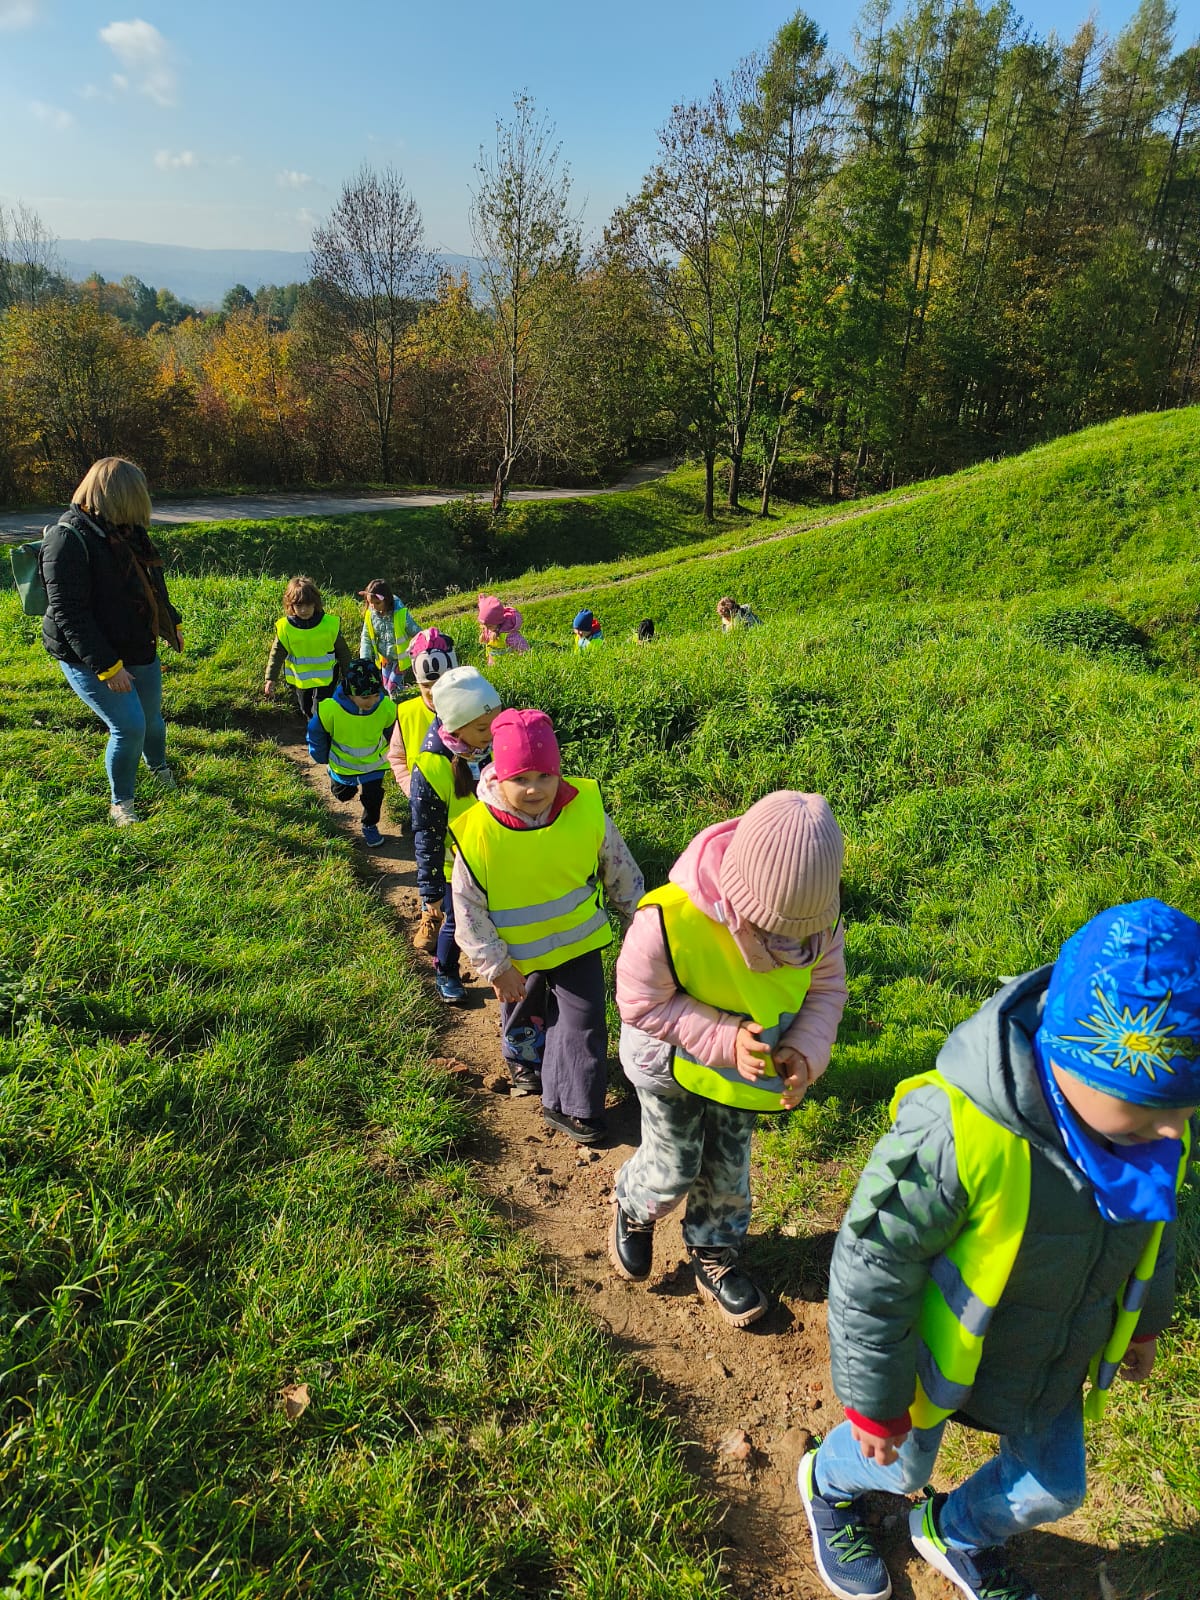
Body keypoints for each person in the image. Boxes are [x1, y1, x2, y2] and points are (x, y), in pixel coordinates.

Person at [797, 898, 1198, 1600]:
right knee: (899, 1466)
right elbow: (873, 1264)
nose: (1173, 1132)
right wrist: (874, 1403)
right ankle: (826, 1484)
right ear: (1073, 1062)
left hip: (1050, 1352)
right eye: (1148, 1107)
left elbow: (1151, 1233)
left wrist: (1145, 1323)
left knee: (1056, 1487)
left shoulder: (1154, 1132)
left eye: (1187, 1108)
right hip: (932, 1359)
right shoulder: (957, 1134)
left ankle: (954, 1530)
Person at [610, 791, 847, 1326]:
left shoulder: (820, 925)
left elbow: (826, 991)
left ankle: (713, 1249)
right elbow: (640, 1003)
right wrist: (724, 1037)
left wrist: (804, 1050)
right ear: (736, 891)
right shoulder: (668, 918)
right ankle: (635, 1204)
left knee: (729, 1168)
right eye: (769, 930)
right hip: (667, 1063)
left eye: (799, 934)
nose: (786, 945)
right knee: (674, 1163)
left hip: (744, 1076)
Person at [452, 710, 644, 1141]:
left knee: (584, 1022)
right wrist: (496, 966)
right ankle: (525, 1062)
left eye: (545, 775)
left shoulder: (585, 809)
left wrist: (639, 919)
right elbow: (467, 906)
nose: (534, 788)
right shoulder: (479, 831)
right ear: (498, 776)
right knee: (526, 1015)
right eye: (520, 778)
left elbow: (620, 868)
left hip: (578, 943)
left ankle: (574, 1107)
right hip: (516, 956)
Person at [40, 456, 183, 827]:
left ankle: (159, 770)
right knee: (130, 726)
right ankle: (122, 804)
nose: (144, 501)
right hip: (87, 654)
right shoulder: (67, 538)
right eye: (138, 493)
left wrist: (171, 622)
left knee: (151, 720)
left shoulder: (128, 530)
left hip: (134, 642)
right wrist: (107, 667)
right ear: (118, 496)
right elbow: (70, 614)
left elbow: (152, 583)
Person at [410, 665, 502, 1004]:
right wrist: (431, 892)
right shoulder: (431, 767)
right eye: (482, 727)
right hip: (456, 867)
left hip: (495, 857)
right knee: (458, 924)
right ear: (455, 726)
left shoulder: (492, 748)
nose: (492, 733)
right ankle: (446, 969)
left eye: (495, 723)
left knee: (500, 919)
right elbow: (427, 835)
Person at [306, 657, 399, 849]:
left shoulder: (386, 707)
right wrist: (320, 756)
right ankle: (335, 780)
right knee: (343, 795)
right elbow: (316, 733)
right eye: (365, 698)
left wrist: (395, 753)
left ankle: (370, 825)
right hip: (342, 767)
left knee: (373, 798)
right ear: (349, 693)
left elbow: (393, 732)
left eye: (376, 695)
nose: (372, 701)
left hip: (375, 765)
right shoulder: (330, 710)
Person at [264, 575, 351, 719]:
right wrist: (270, 679)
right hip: (301, 679)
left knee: (320, 710)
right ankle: (313, 724)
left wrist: (349, 674)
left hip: (327, 677)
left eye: (308, 605)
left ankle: (320, 729)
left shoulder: (329, 625)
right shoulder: (285, 628)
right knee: (305, 709)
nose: (304, 610)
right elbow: (276, 654)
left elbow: (343, 652)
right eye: (299, 606)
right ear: (291, 605)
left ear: (315, 603)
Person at [386, 629, 458, 798]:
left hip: (468, 800)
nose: (433, 691)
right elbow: (397, 758)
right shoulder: (406, 713)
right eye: (426, 685)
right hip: (425, 800)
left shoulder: (473, 707)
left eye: (440, 683)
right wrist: (412, 789)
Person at [359, 579, 421, 698]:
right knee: (387, 686)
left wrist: (428, 642)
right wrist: (364, 660)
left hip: (401, 659)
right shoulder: (370, 615)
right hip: (385, 658)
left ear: (386, 600)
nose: (373, 606)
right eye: (370, 603)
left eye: (377, 603)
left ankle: (398, 705)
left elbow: (416, 632)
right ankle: (407, 694)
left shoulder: (400, 614)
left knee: (392, 687)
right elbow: (366, 638)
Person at [478, 594, 530, 665]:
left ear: (498, 622)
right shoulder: (490, 627)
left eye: (489, 626)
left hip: (507, 663)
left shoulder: (507, 634)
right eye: (484, 625)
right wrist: (484, 636)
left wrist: (523, 654)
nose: (486, 628)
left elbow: (521, 645)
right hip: (493, 662)